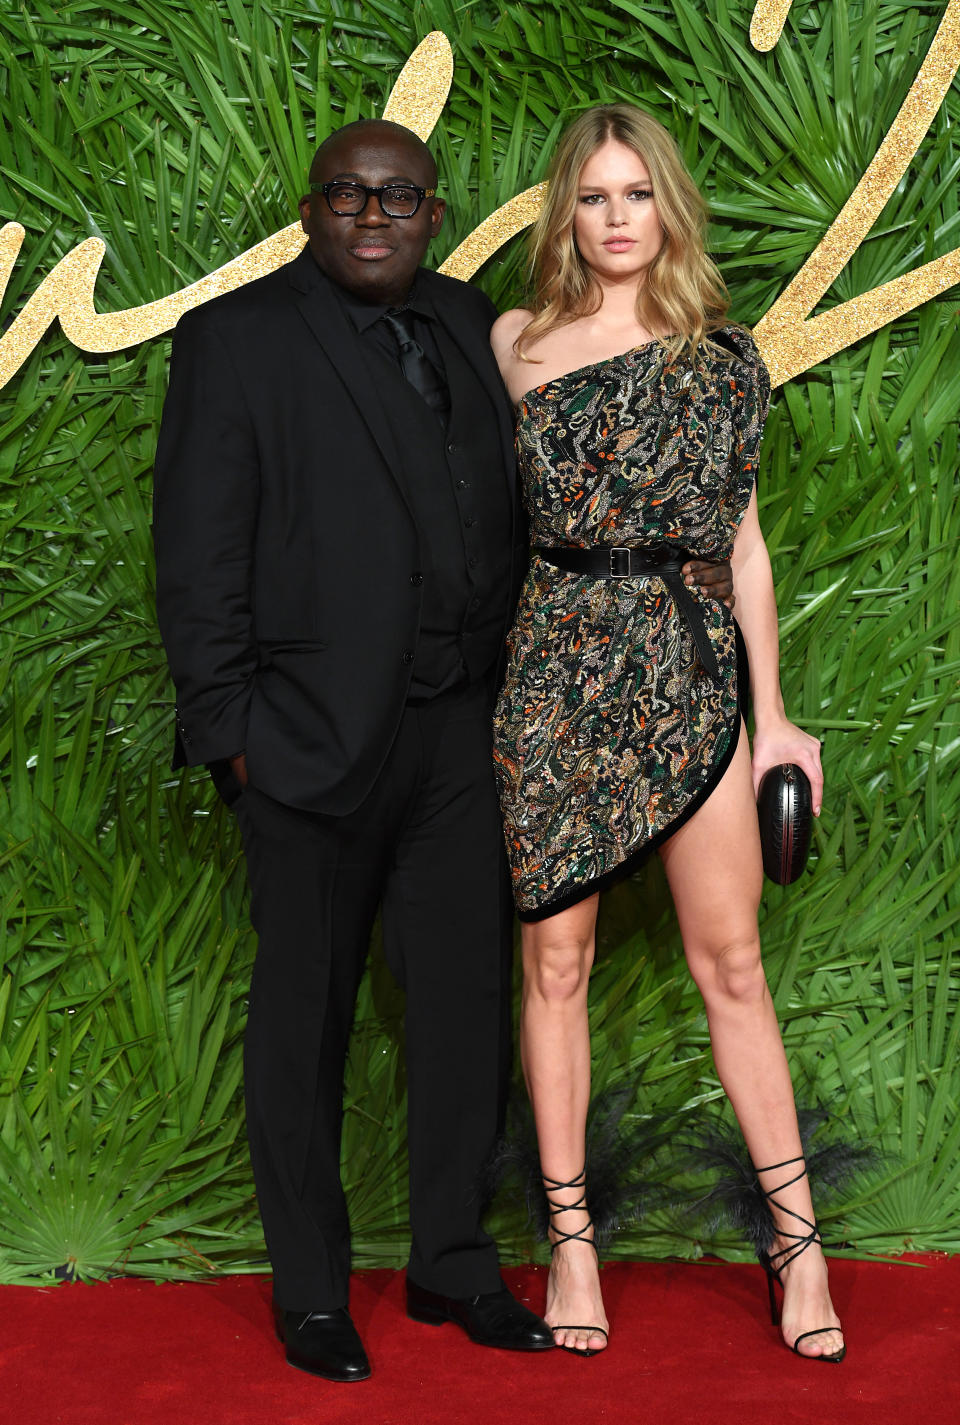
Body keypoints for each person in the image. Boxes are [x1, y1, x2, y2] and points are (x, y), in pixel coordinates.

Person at [153, 116, 732, 1383]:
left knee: (468, 1009)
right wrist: (235, 743)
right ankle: (310, 1292)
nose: (374, 216)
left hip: (469, 737)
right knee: (303, 1021)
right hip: (304, 750)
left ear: (431, 211)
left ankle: (451, 1265)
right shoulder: (237, 342)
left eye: (401, 198)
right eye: (349, 195)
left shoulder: (478, 329)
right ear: (311, 209)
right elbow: (195, 563)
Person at [490, 104, 843, 1364]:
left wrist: (775, 719)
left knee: (732, 963)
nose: (619, 216)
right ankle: (571, 1245)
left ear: (668, 206)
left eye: (638, 193)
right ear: (567, 212)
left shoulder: (727, 357)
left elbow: (745, 551)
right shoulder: (515, 343)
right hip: (555, 676)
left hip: (690, 675)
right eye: (595, 196)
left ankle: (800, 1252)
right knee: (557, 969)